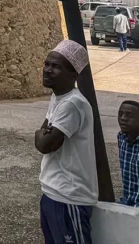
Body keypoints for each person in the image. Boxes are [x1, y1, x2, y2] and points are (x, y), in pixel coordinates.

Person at [36, 40, 97, 244]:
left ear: (73, 75)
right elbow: (45, 135)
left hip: (69, 197)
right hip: (53, 192)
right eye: (47, 64)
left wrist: (40, 133)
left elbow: (44, 144)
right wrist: (42, 133)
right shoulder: (58, 98)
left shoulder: (72, 104)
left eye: (56, 66)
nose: (48, 70)